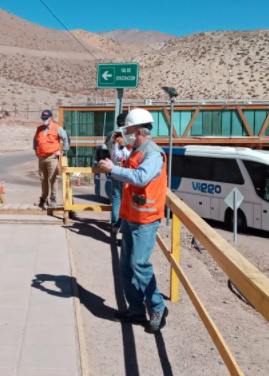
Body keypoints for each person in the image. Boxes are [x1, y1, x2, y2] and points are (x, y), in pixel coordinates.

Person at [97, 108, 169, 333]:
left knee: (139, 264)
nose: (125, 134)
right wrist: (112, 168)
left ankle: (157, 307)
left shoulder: (153, 154)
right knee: (125, 266)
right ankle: (136, 309)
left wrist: (114, 168)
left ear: (138, 131)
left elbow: (142, 177)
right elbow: (126, 174)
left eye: (127, 130)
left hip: (145, 220)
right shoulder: (135, 151)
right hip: (130, 217)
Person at [33, 109, 69, 209]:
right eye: (43, 119)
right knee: (43, 178)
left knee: (52, 178)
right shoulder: (39, 129)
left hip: (52, 157)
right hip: (41, 157)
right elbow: (35, 141)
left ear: (51, 118)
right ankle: (44, 198)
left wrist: (62, 152)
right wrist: (36, 151)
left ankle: (53, 199)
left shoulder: (57, 128)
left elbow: (66, 138)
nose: (44, 120)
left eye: (46, 119)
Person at [105, 111, 130, 234]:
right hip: (126, 171)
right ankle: (123, 226)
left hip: (114, 170)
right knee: (127, 200)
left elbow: (111, 151)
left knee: (116, 198)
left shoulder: (111, 134)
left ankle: (115, 225)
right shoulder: (131, 135)